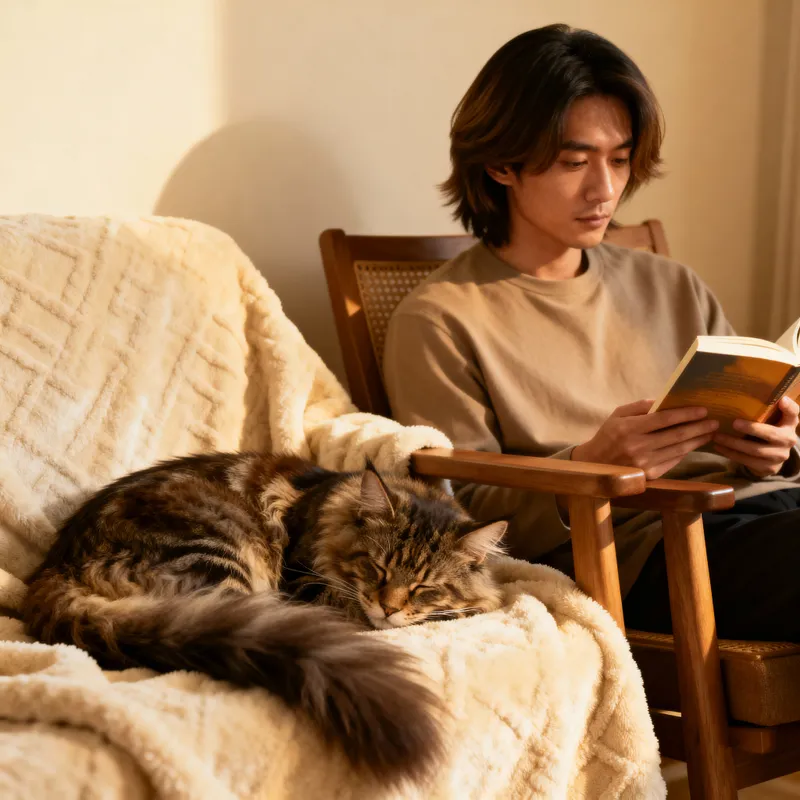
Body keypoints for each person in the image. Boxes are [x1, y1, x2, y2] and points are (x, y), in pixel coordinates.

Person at [383, 24, 800, 642]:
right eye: (575, 162)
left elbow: (764, 432)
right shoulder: (440, 318)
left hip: (766, 508)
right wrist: (588, 465)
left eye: (620, 160)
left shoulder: (671, 284)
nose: (605, 189)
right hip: (648, 550)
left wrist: (777, 447)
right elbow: (453, 515)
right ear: (501, 164)